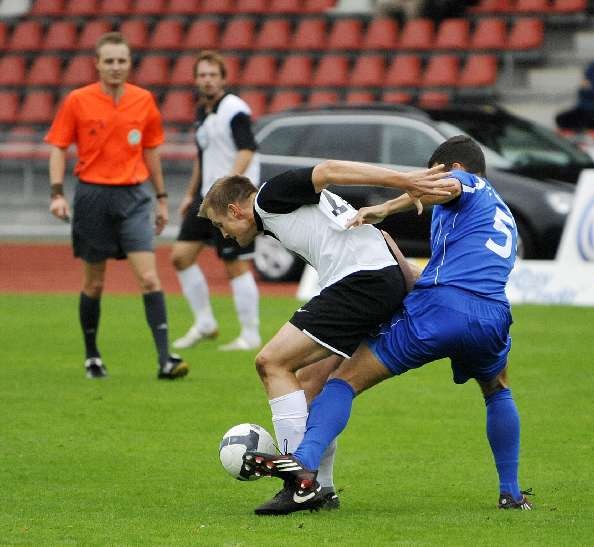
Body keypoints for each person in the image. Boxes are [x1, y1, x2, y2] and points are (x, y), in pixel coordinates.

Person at [242, 136, 531, 514]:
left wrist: (400, 195)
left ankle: (304, 463)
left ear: (453, 168)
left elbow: (450, 185)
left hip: (440, 309)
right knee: (497, 390)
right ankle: (510, 493)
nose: (427, 182)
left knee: (343, 381)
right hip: (494, 315)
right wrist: (387, 211)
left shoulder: (467, 183)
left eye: (434, 173)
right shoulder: (501, 212)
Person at [199, 160, 452, 514]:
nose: (223, 234)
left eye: (219, 224)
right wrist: (405, 281)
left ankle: (296, 481)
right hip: (375, 281)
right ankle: (324, 490)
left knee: (271, 362)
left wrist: (403, 180)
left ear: (234, 209)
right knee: (308, 382)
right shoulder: (280, 214)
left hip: (359, 283)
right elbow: (381, 236)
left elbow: (329, 169)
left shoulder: (269, 197)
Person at [46, 32, 187, 380]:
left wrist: (162, 197)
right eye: (108, 61)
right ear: (96, 63)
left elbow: (151, 150)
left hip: (134, 197)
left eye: (121, 60)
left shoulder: (144, 100)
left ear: (129, 64)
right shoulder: (78, 101)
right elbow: (58, 147)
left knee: (150, 278)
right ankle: (92, 355)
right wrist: (56, 193)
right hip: (92, 196)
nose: (115, 67)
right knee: (94, 284)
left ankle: (165, 359)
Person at [170, 51, 262, 352]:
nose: (207, 80)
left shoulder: (234, 109)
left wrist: (227, 186)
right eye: (202, 75)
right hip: (206, 197)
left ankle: (250, 335)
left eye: (212, 75)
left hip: (230, 197)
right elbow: (202, 156)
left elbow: (247, 150)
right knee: (181, 256)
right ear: (196, 79)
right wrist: (189, 194)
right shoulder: (202, 112)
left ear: (223, 78)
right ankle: (205, 322)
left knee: (233, 263)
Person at [555, 40, 594, 131]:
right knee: (560, 118)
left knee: (591, 121)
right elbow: (582, 92)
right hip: (584, 106)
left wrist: (591, 87)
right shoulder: (592, 68)